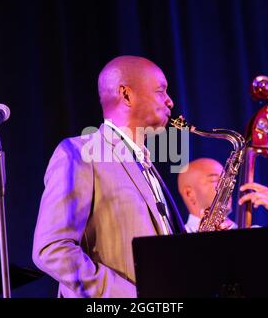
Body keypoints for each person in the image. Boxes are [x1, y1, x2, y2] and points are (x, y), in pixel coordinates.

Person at [32, 55, 186, 298]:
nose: (170, 101)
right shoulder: (79, 153)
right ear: (126, 95)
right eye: (160, 91)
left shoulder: (146, 165)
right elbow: (51, 249)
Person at [177, 158, 268, 233]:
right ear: (190, 194)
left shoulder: (251, 233)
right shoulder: (173, 236)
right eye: (214, 180)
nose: (227, 186)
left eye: (226, 180)